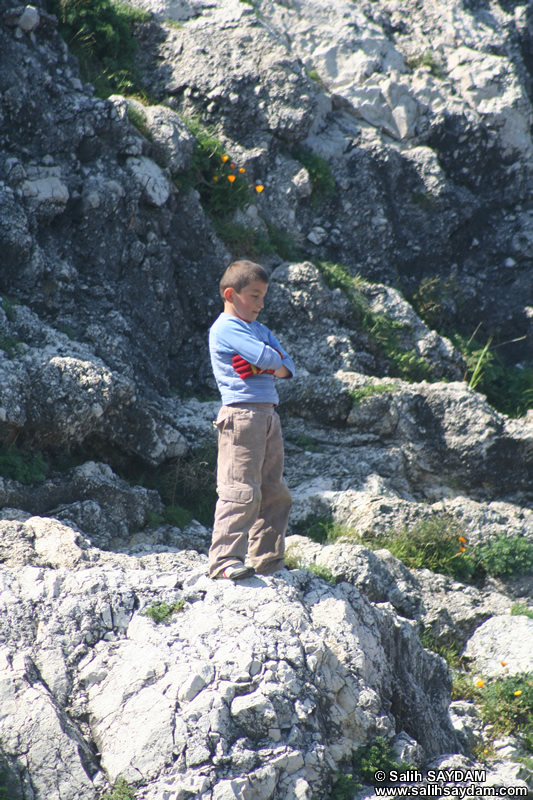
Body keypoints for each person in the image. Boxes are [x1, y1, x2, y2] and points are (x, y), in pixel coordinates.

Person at [208, 259, 295, 580]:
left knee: (275, 492)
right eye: (254, 296)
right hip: (241, 416)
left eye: (263, 297)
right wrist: (268, 362)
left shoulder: (259, 330)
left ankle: (268, 562)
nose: (261, 304)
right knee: (241, 489)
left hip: (268, 415)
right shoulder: (225, 327)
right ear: (231, 294)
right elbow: (269, 357)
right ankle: (225, 560)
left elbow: (288, 367)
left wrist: (265, 365)